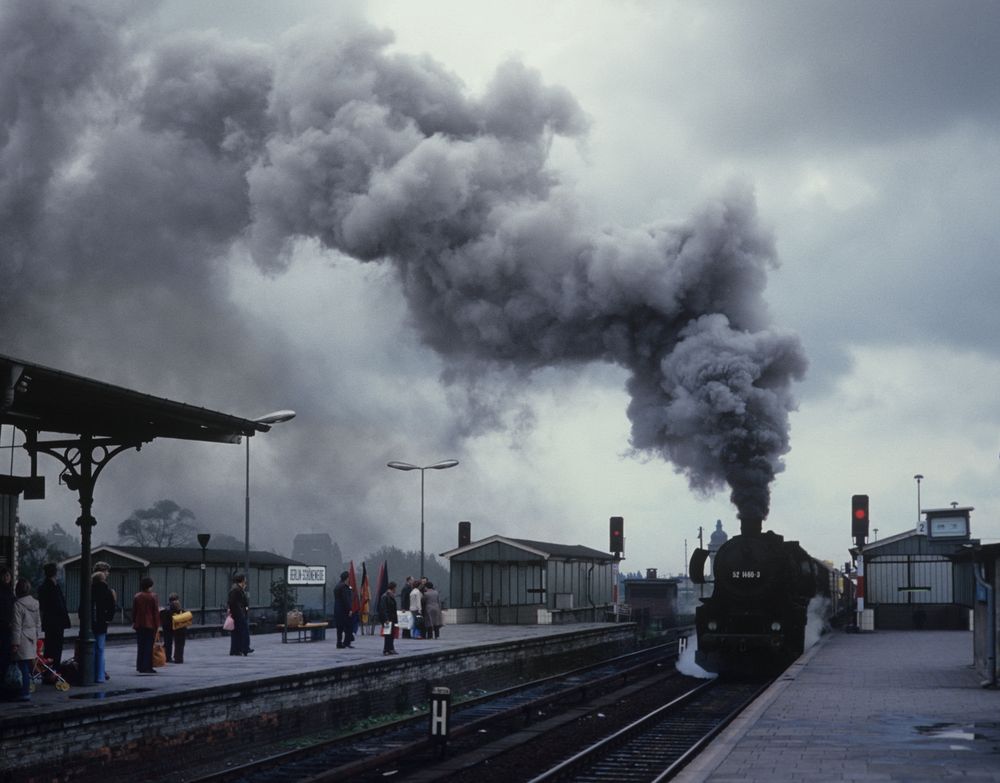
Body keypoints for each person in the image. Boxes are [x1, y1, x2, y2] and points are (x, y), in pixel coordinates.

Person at [11, 577, 41, 702]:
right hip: (32, 636)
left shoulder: (18, 604)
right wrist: (37, 635)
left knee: (22, 665)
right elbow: (38, 622)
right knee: (28, 665)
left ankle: (24, 692)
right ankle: (27, 689)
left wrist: (15, 643)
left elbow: (16, 626)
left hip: (22, 637)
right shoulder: (36, 603)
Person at [37, 562, 71, 667]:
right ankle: (54, 670)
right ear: (55, 573)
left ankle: (49, 670)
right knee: (56, 647)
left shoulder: (43, 587)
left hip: (49, 621)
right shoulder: (54, 587)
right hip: (56, 622)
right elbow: (59, 605)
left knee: (50, 647)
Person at [91, 569, 117, 683]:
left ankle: (90, 674)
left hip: (90, 623)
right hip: (102, 623)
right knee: (100, 649)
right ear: (103, 580)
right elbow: (112, 608)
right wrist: (108, 619)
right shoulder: (108, 592)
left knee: (90, 649)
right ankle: (100, 676)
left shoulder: (89, 591)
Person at [131, 576, 159, 674]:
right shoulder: (153, 596)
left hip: (139, 623)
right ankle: (147, 666)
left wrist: (134, 621)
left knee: (141, 645)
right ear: (150, 586)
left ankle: (140, 666)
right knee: (148, 646)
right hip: (150, 624)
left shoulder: (137, 596)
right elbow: (155, 612)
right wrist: (157, 625)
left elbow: (134, 611)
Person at [228, 574, 252, 656]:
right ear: (242, 580)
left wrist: (246, 610)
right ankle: (244, 648)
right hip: (239, 615)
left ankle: (236, 650)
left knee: (237, 633)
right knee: (243, 631)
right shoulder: (236, 590)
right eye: (245, 580)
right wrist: (242, 612)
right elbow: (234, 603)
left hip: (239, 614)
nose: (246, 581)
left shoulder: (239, 589)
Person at [163, 592, 187, 663]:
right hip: (178, 627)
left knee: (167, 642)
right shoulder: (178, 606)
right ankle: (178, 658)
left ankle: (167, 657)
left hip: (167, 627)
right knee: (179, 643)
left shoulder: (166, 609)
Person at [332, 571, 354, 649]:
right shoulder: (344, 587)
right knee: (348, 626)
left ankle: (339, 643)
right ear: (347, 578)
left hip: (337, 609)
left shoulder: (337, 586)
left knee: (339, 628)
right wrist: (350, 609)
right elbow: (346, 599)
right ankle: (346, 642)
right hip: (344, 610)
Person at [0, 566, 14, 684]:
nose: (6, 578)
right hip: (4, 626)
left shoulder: (10, 591)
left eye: (8, 575)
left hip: (10, 627)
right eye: (4, 575)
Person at [378, 581, 398, 656]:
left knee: (392, 634)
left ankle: (391, 648)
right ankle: (386, 649)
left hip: (392, 618)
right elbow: (383, 609)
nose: (396, 589)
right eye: (395, 588)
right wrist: (386, 619)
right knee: (387, 634)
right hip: (387, 618)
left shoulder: (391, 596)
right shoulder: (385, 596)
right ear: (393, 588)